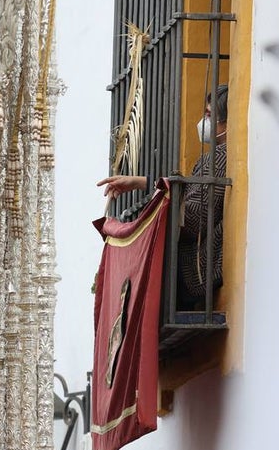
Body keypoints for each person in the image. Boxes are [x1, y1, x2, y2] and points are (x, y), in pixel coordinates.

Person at [97, 85, 228, 308]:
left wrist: (156, 211)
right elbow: (190, 191)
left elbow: (193, 220)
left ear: (227, 122)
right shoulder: (219, 157)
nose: (203, 122)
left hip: (192, 272)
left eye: (209, 115)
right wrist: (143, 182)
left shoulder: (219, 157)